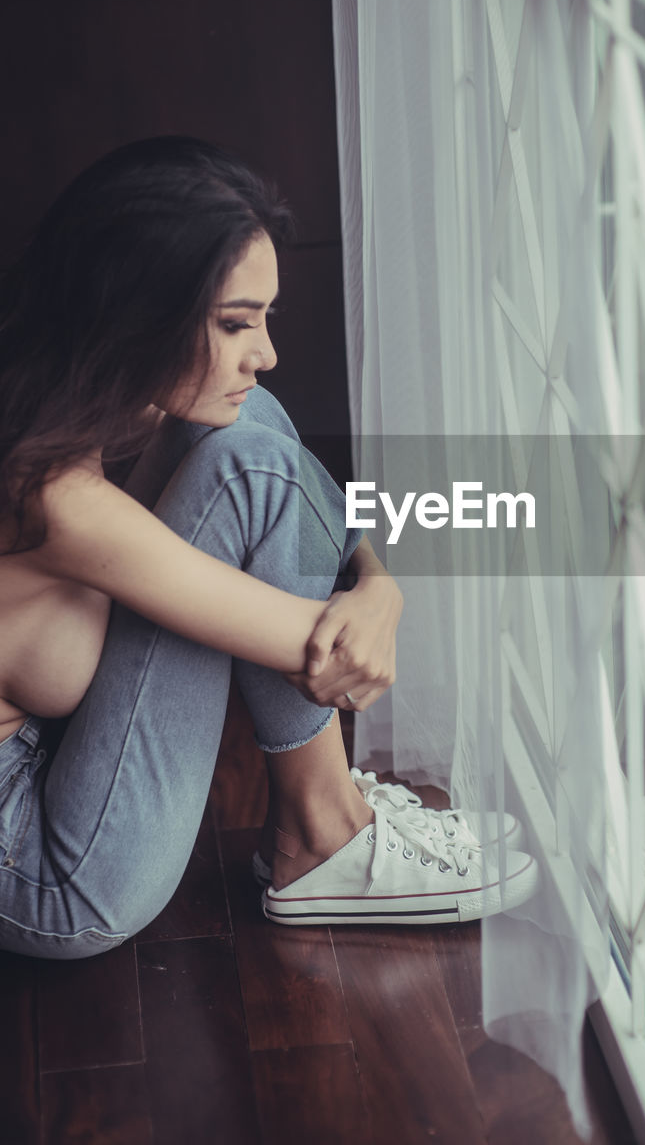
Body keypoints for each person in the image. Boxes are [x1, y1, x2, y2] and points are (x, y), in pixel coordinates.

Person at [0, 136, 536, 958]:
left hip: (57, 749)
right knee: (248, 461)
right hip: (43, 871)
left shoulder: (80, 393)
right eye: (233, 323)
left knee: (243, 420)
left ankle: (320, 829)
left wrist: (374, 578)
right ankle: (325, 830)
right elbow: (320, 648)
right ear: (137, 309)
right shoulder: (48, 494)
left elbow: (323, 590)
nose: (266, 349)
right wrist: (368, 594)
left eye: (262, 318)